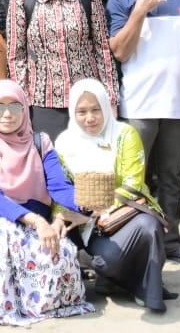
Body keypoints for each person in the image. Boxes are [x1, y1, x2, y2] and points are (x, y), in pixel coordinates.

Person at [0, 80, 94, 326]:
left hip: (38, 218)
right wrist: (35, 222)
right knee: (4, 236)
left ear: (25, 109)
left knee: (62, 251)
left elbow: (58, 186)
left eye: (15, 106)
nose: (6, 114)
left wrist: (86, 203)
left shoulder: (40, 142)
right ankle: (9, 305)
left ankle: (40, 304)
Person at [105, 0, 180, 260]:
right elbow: (120, 52)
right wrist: (139, 10)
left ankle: (171, 242)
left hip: (178, 102)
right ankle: (137, 242)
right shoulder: (119, 1)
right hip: (138, 104)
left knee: (172, 177)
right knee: (133, 177)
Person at [53, 79, 171, 313]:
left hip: (128, 214)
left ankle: (146, 287)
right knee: (106, 261)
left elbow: (132, 184)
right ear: (72, 112)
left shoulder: (124, 134)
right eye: (82, 111)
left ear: (106, 107)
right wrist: (59, 217)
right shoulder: (65, 144)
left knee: (148, 227)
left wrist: (92, 213)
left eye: (96, 109)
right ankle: (112, 277)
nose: (90, 118)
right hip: (91, 227)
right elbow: (61, 189)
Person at [7, 0, 118, 141]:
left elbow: (102, 48)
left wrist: (111, 97)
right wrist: (21, 103)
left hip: (88, 102)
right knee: (52, 167)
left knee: (89, 170)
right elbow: (15, 56)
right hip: (42, 102)